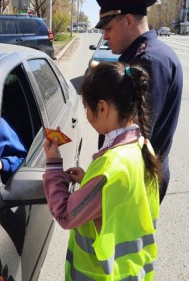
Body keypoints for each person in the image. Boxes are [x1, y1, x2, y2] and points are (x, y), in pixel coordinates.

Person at [43, 62, 161, 280]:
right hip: (133, 270)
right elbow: (119, 198)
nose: (86, 114)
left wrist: (53, 164)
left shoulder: (109, 168)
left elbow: (66, 215)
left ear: (103, 108)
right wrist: (89, 180)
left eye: (87, 107)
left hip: (102, 274)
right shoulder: (142, 146)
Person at [94, 0, 183, 203]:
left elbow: (135, 135)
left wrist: (98, 183)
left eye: (108, 28)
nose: (105, 36)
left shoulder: (148, 61)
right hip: (133, 175)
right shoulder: (146, 55)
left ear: (128, 20)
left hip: (133, 181)